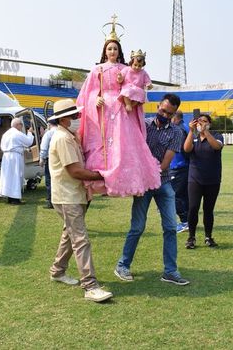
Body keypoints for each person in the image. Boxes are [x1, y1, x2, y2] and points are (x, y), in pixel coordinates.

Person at [76, 23, 160, 197]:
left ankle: (127, 177)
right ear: (105, 51)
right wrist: (95, 99)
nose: (112, 51)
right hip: (103, 107)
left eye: (115, 48)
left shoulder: (126, 69)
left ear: (119, 51)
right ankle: (101, 173)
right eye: (109, 48)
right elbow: (87, 93)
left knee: (123, 140)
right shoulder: (96, 69)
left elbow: (134, 84)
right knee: (102, 141)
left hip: (122, 106)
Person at [114, 93, 190, 286]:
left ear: (174, 115)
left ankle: (170, 271)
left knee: (171, 227)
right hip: (143, 184)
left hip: (162, 182)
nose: (164, 114)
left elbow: (165, 163)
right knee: (137, 227)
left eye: (169, 113)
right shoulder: (143, 125)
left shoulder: (176, 132)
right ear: (158, 106)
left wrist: (149, 172)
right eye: (163, 110)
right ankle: (123, 265)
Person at [47, 99, 113, 303]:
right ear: (65, 118)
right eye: (75, 116)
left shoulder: (70, 136)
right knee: (80, 239)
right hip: (67, 197)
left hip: (74, 195)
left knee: (70, 234)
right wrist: (104, 176)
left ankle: (57, 271)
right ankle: (90, 286)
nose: (78, 119)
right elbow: (75, 171)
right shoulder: (62, 139)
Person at [183, 114, 224, 249]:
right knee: (193, 208)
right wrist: (191, 130)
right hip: (195, 179)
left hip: (212, 180)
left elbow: (216, 147)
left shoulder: (217, 136)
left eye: (205, 121)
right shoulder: (193, 137)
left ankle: (208, 236)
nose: (201, 123)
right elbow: (186, 149)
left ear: (209, 124)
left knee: (208, 209)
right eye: (199, 121)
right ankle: (191, 237)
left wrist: (205, 131)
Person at [0, 117, 34, 205]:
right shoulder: (17, 133)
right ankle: (15, 199)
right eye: (21, 125)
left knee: (8, 177)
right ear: (18, 125)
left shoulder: (6, 134)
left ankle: (10, 197)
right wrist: (30, 132)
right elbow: (28, 142)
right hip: (15, 157)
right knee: (16, 176)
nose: (21, 127)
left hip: (6, 157)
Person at [170, 110, 190, 233]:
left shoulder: (180, 129)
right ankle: (188, 221)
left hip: (179, 166)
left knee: (176, 196)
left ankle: (184, 221)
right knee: (184, 196)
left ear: (174, 117)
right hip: (184, 166)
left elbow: (183, 149)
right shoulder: (186, 127)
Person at [118, 49, 153, 114]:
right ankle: (128, 104)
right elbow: (120, 79)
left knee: (141, 93)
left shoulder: (143, 73)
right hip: (128, 87)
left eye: (139, 66)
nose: (137, 67)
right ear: (131, 63)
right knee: (127, 91)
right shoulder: (127, 69)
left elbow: (147, 81)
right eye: (135, 65)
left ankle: (132, 105)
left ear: (142, 65)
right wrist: (120, 77)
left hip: (138, 89)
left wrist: (149, 85)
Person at [39, 121, 57, 209]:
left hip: (51, 159)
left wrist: (41, 158)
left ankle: (51, 202)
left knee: (49, 180)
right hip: (62, 159)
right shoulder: (62, 132)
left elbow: (44, 147)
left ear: (49, 125)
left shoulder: (48, 134)